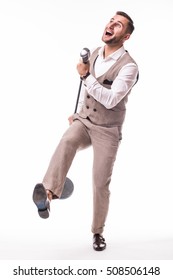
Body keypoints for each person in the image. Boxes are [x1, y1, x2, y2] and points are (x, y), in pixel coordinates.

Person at [33, 11, 139, 251]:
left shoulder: (129, 67)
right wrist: (78, 111)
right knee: (68, 140)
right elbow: (84, 88)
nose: (111, 25)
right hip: (85, 120)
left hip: (108, 130)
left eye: (119, 25)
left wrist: (86, 75)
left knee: (100, 183)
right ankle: (48, 195)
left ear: (126, 36)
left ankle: (98, 232)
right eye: (111, 20)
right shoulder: (93, 54)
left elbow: (111, 100)